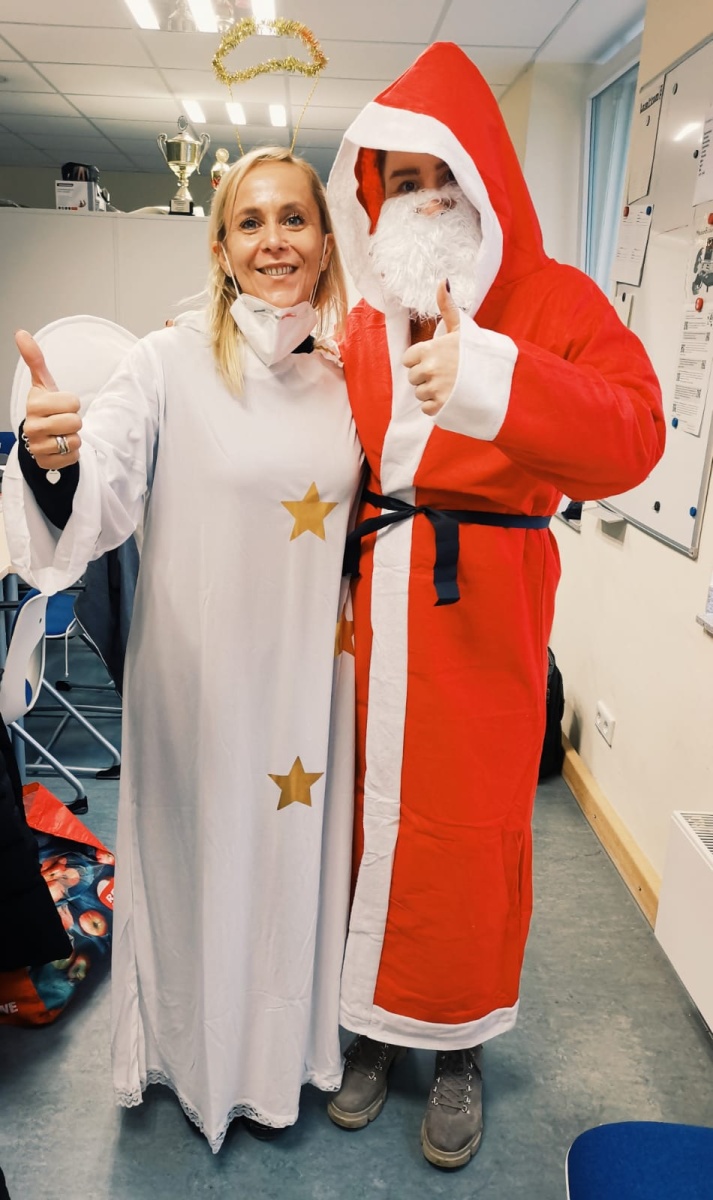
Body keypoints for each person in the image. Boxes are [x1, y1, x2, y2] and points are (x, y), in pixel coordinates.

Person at [325, 42, 665, 1170]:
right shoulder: (366, 314)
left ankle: (459, 1041)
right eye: (402, 180)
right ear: (376, 195)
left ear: (484, 181)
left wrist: (495, 380)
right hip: (376, 605)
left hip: (484, 610)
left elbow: (634, 433)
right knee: (371, 817)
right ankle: (374, 1022)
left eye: (444, 177)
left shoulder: (551, 299)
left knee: (470, 832)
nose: (425, 199)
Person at [3, 146, 362, 1152]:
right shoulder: (165, 362)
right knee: (199, 867)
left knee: (285, 874)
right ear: (220, 247)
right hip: (198, 683)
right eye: (250, 222)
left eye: (293, 219)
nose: (273, 241)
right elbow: (103, 489)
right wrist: (55, 458)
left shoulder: (351, 376)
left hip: (305, 683)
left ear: (324, 241)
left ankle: (281, 1056)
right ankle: (189, 1060)